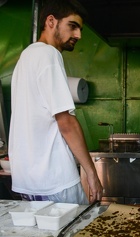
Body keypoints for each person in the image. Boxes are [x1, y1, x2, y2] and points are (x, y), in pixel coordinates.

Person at [9, 0, 103, 205]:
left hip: (28, 183)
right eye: (73, 26)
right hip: (55, 181)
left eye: (80, 29)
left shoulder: (27, 56)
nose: (78, 35)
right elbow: (66, 123)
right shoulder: (48, 54)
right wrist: (92, 174)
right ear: (51, 21)